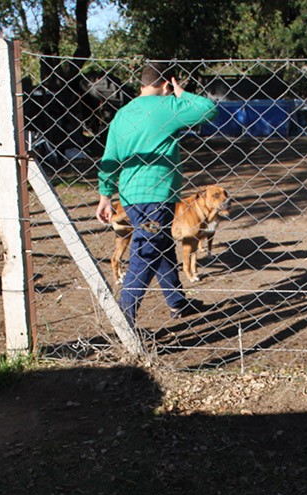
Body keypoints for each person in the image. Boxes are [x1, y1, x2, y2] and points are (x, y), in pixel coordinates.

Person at [96, 62, 218, 325]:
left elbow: (110, 158)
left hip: (129, 196)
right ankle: (124, 319)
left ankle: (177, 303)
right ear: (166, 84)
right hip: (157, 194)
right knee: (146, 252)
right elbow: (209, 110)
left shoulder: (122, 114)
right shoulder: (169, 106)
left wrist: (106, 195)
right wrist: (181, 93)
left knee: (161, 246)